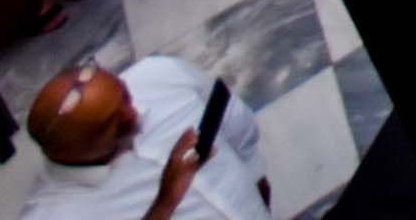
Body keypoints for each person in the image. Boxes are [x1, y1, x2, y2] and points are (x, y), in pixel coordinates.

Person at [18, 56, 276, 220]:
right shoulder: (53, 213)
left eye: (125, 96)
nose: (133, 114)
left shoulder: (160, 76)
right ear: (72, 150)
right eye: (113, 124)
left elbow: (237, 127)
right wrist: (165, 203)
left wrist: (256, 176)